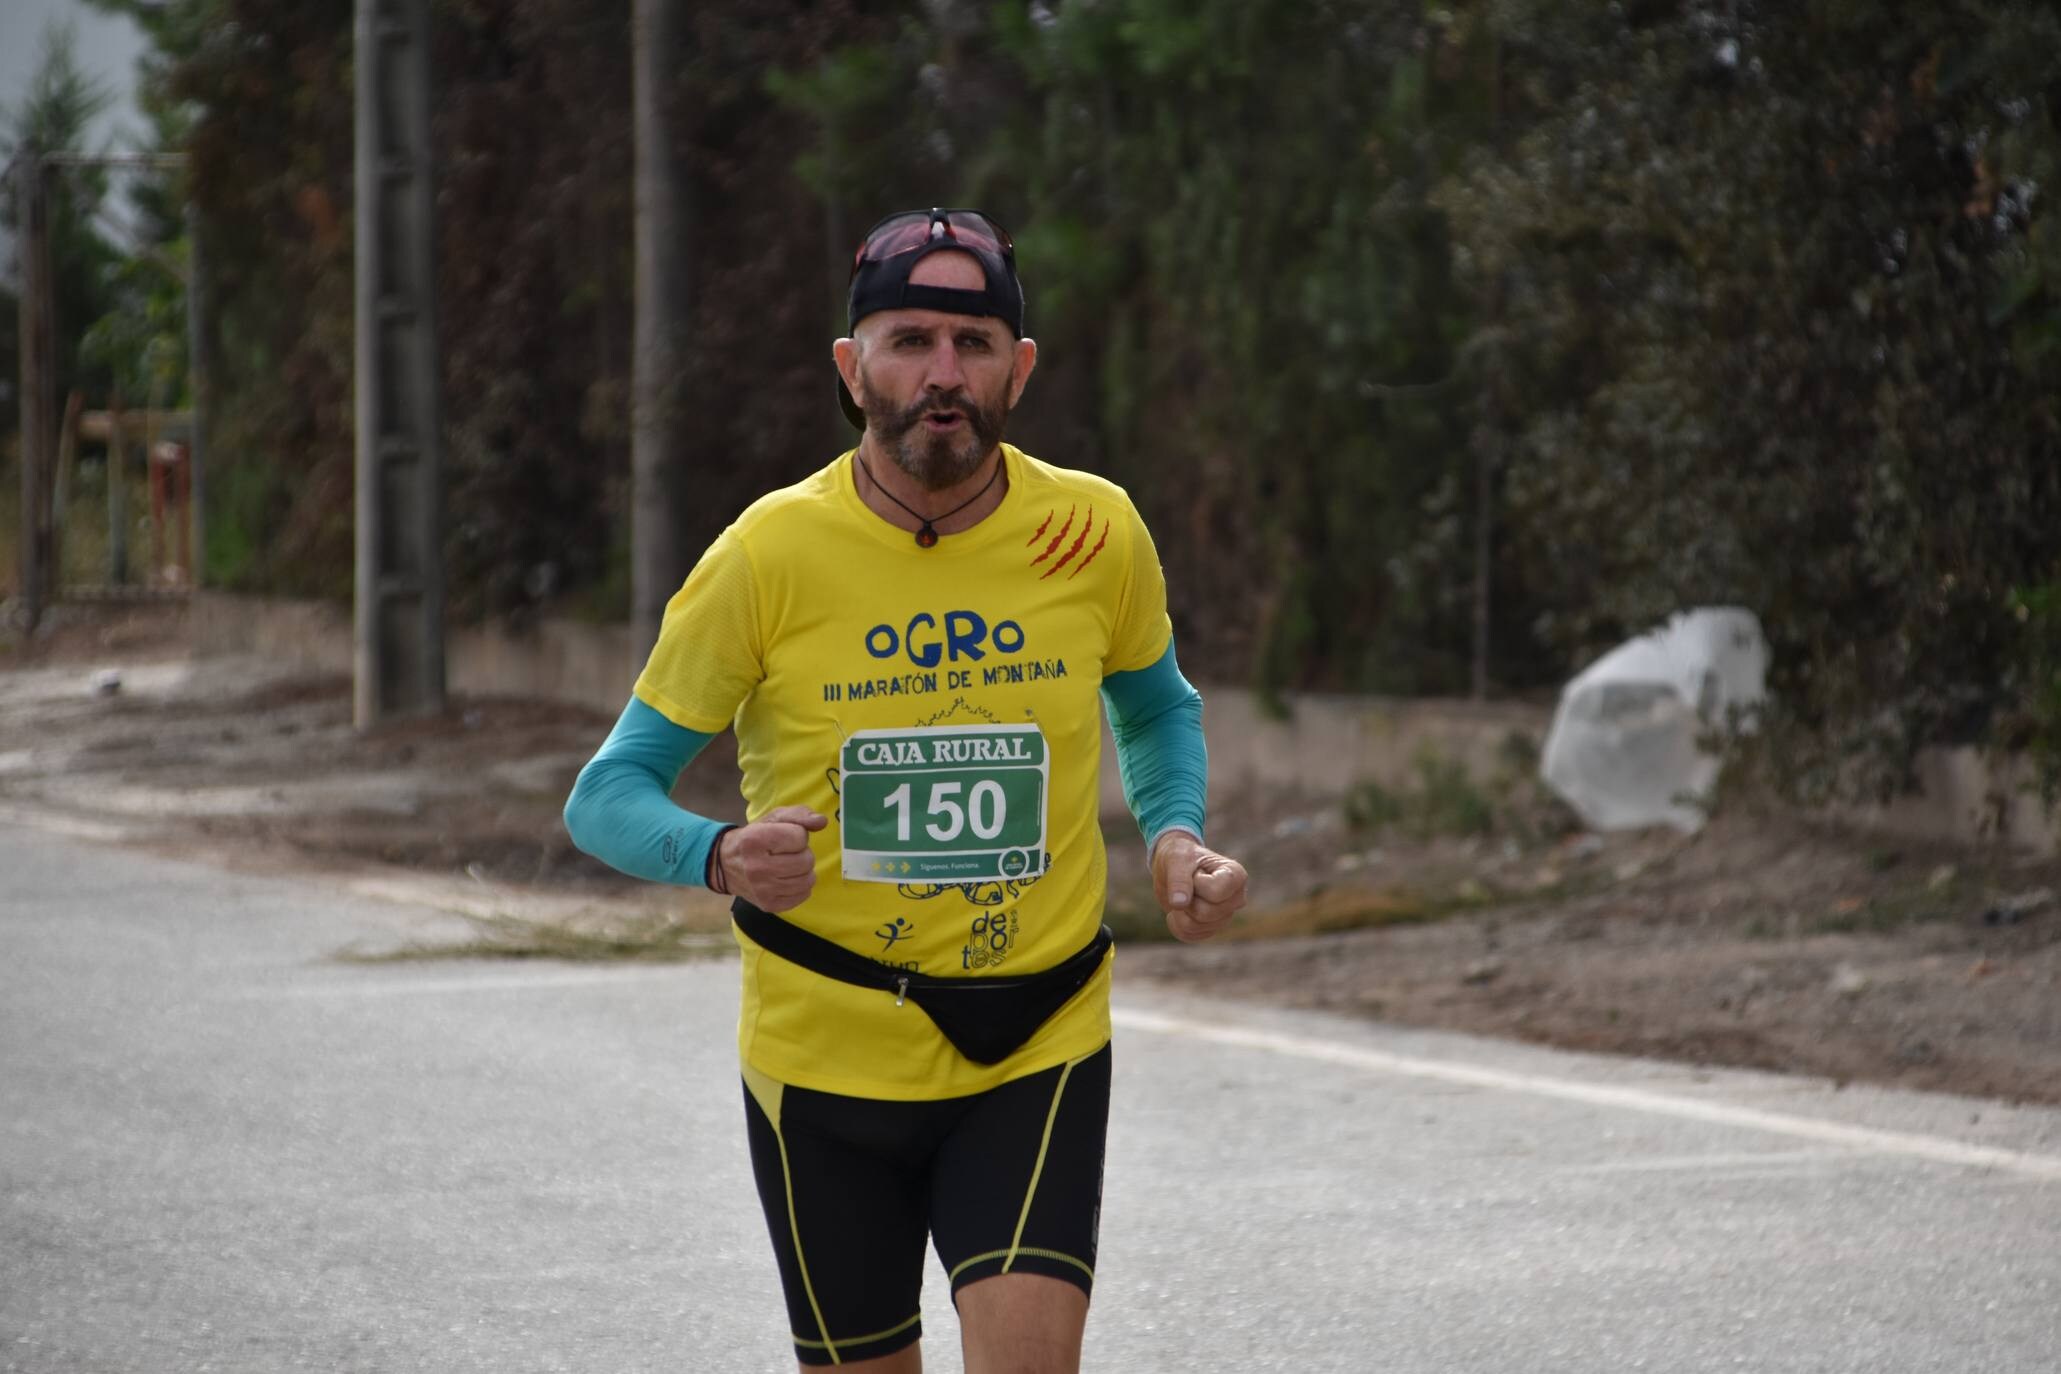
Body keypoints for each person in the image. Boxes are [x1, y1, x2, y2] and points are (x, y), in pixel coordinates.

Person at [564, 206, 1248, 1373]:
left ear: (1018, 372)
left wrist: (1175, 833)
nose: (943, 374)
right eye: (909, 339)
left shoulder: (1095, 531)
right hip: (825, 1060)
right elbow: (608, 792)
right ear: (851, 366)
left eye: (974, 345)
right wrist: (718, 854)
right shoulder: (766, 556)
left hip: (1036, 1037)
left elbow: (1154, 701)